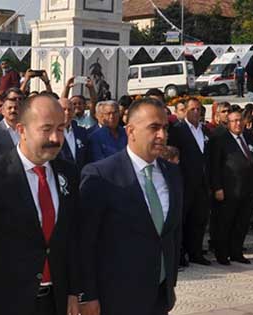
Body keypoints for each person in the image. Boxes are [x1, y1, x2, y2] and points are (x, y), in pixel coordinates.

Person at [0, 94, 80, 315]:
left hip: (56, 301)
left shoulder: (68, 172)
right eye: (46, 129)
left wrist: (73, 291)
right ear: (21, 130)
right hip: (5, 303)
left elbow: (71, 238)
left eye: (61, 129)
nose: (55, 138)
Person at [79, 98, 182, 315]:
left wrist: (170, 282)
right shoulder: (101, 175)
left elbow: (171, 233)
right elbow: (85, 241)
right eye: (154, 128)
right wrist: (88, 295)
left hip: (159, 295)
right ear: (131, 131)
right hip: (115, 298)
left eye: (165, 128)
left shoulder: (171, 173)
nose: (162, 135)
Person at [210, 109, 253, 265]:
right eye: (234, 121)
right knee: (225, 224)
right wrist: (217, 187)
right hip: (228, 190)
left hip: (249, 190)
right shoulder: (220, 139)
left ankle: (236, 252)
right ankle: (222, 254)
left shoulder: (249, 137)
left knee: (242, 223)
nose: (238, 124)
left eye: (240, 120)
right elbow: (214, 166)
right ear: (228, 123)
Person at [168, 98, 212, 266]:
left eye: (198, 109)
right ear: (185, 110)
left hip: (202, 184)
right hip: (184, 183)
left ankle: (196, 253)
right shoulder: (178, 130)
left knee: (199, 219)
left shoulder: (206, 131)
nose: (196, 112)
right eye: (192, 109)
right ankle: (179, 255)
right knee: (182, 219)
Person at [58, 98, 90, 170]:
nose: (67, 112)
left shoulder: (81, 132)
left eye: (69, 110)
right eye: (63, 109)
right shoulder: (51, 133)